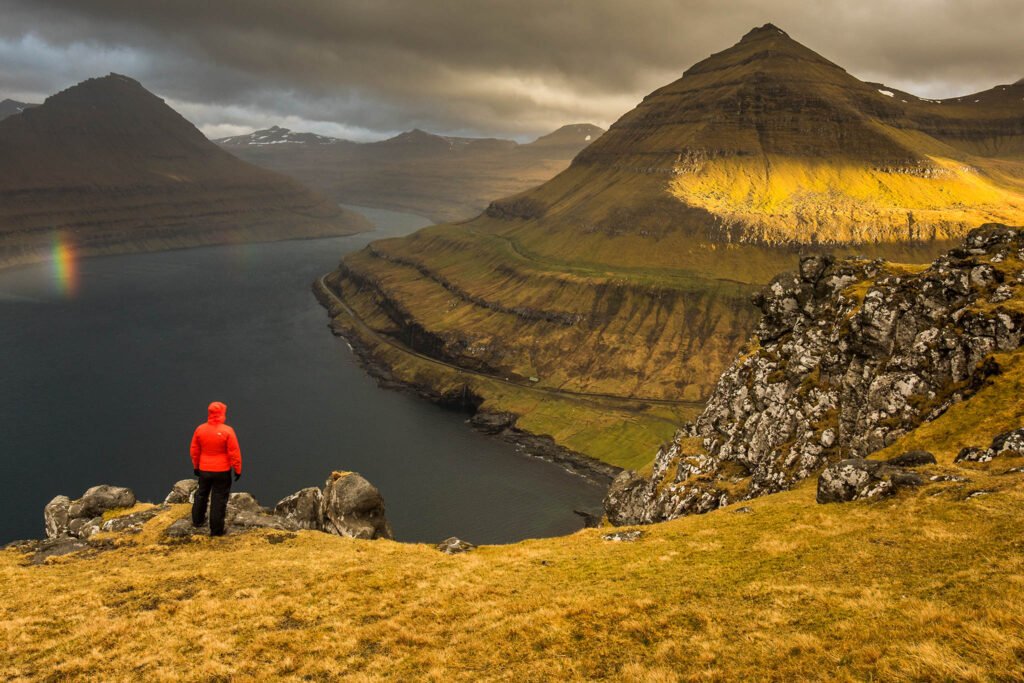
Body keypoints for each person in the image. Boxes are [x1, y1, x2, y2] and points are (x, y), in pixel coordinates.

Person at [190, 401, 242, 536]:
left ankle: (197, 520)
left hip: (204, 469)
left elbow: (194, 450)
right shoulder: (227, 431)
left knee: (201, 494)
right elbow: (234, 452)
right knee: (218, 499)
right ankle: (216, 530)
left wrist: (196, 466)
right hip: (222, 471)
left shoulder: (200, 429)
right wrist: (237, 469)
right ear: (222, 413)